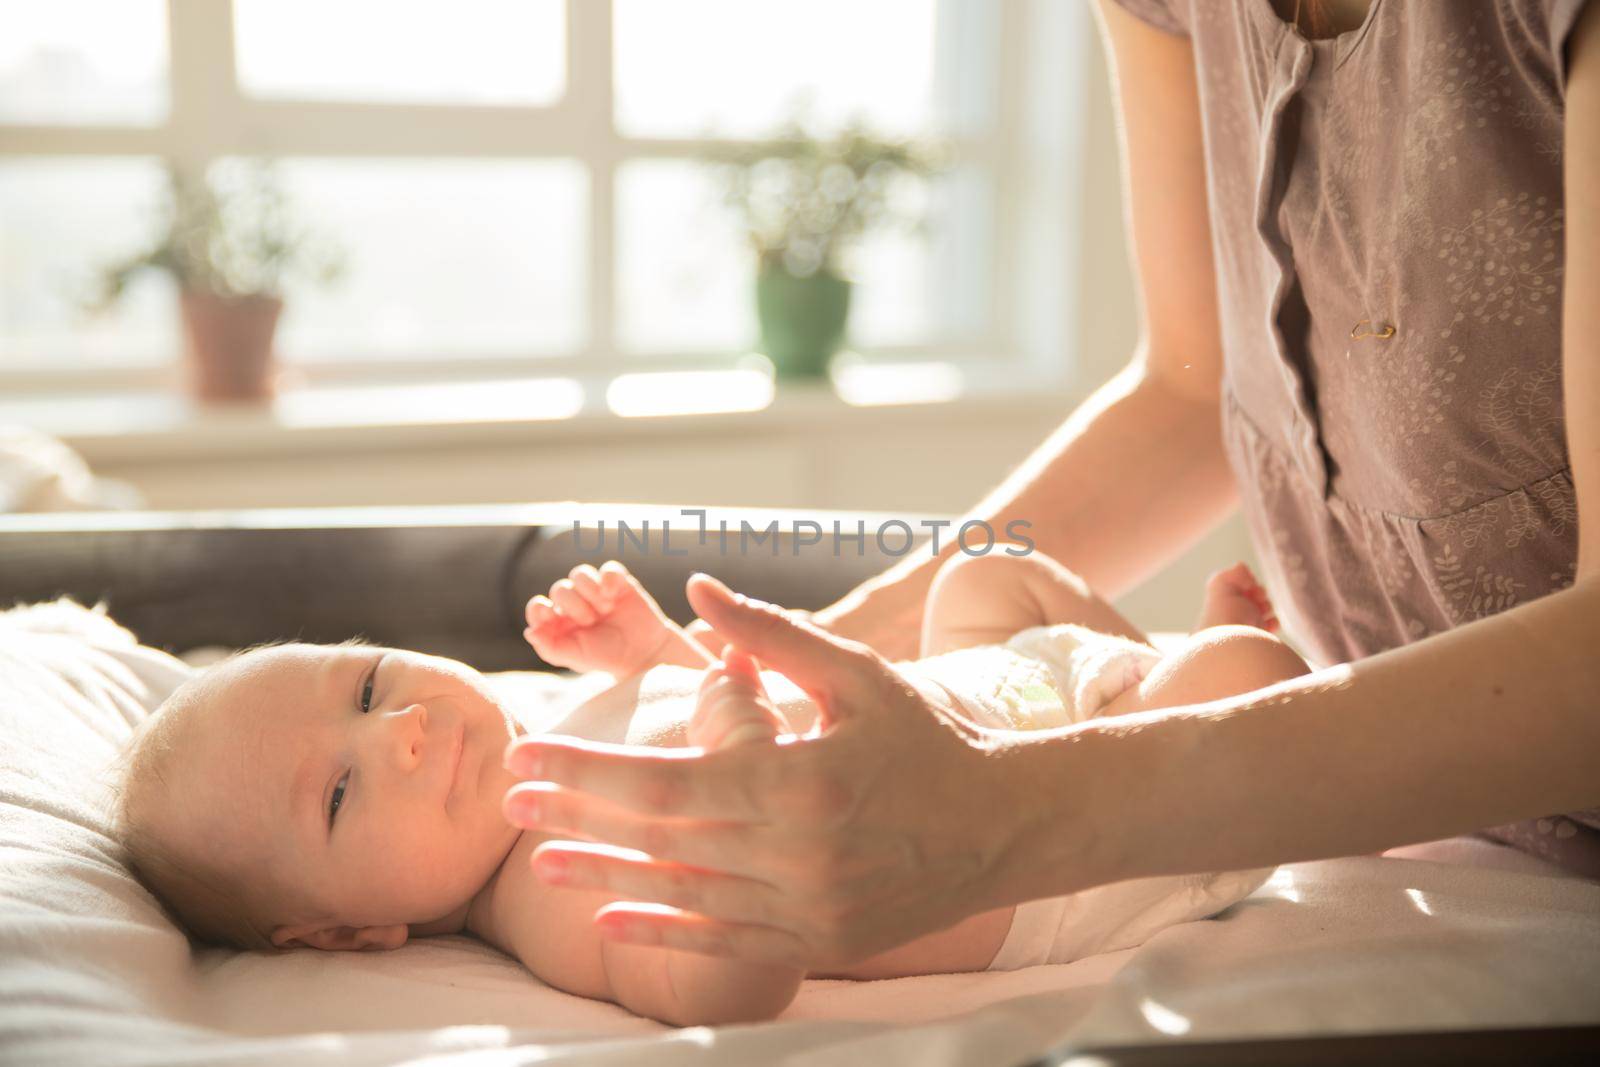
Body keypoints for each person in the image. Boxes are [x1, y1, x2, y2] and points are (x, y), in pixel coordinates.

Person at [500, 0, 1600, 972]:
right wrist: (801, 650)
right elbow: (1189, 388)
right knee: (996, 585)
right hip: (1419, 810)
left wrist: (1022, 811)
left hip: (1439, 798)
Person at [114, 555, 1295, 1025]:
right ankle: (1187, 682)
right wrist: (740, 797)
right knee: (1249, 686)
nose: (407, 729)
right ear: (347, 930)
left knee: (989, 573)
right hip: (1080, 835)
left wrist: (648, 653)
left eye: (369, 684)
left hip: (993, 694)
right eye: (339, 791)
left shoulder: (545, 728)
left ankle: (1137, 657)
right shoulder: (560, 898)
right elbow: (733, 982)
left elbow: (695, 697)